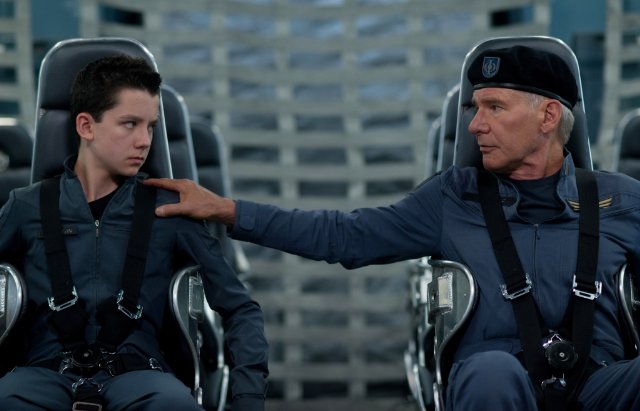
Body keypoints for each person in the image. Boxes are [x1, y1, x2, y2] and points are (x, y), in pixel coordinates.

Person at [145, 45, 640, 410]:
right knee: (492, 374)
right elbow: (345, 236)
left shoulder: (622, 200)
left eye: (494, 107)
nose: (474, 125)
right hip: (496, 378)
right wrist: (228, 211)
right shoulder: (452, 198)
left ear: (548, 116)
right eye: (474, 109)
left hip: (599, 381)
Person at [0, 55, 268, 411]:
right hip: (41, 375)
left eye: (151, 127)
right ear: (86, 126)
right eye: (130, 124)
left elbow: (241, 308)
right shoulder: (25, 207)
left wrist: (247, 400)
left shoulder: (171, 211)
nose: (144, 141)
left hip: (143, 378)